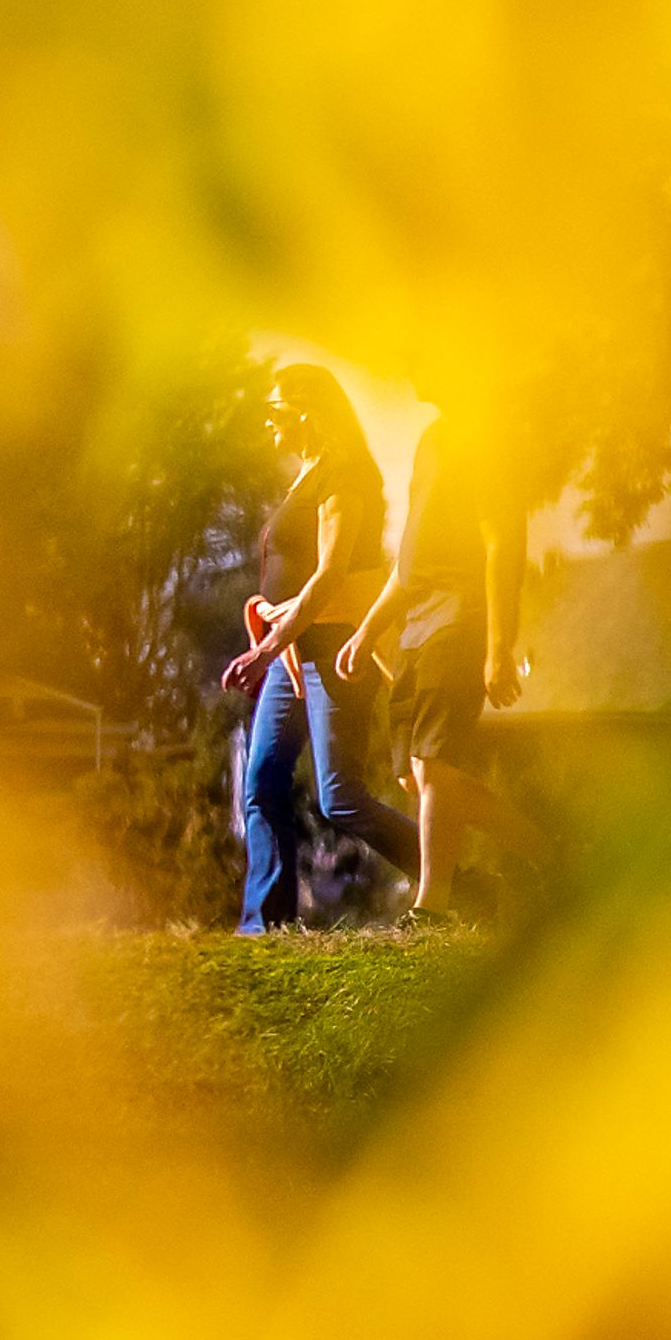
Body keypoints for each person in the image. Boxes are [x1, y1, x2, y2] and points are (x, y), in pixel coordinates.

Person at [219, 363, 420, 931]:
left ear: (308, 411)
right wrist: (274, 634)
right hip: (292, 650)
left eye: (277, 410)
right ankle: (266, 924)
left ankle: (452, 881)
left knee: (342, 799)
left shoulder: (343, 476)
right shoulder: (307, 474)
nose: (269, 421)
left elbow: (331, 574)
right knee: (262, 779)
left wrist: (267, 644)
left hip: (333, 647)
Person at [338, 402, 546, 915]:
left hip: (459, 617)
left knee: (434, 768)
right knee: (419, 777)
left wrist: (498, 645)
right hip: (415, 627)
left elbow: (503, 545)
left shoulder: (485, 438)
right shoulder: (432, 440)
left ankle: (430, 906)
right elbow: (410, 563)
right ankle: (551, 855)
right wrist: (368, 630)